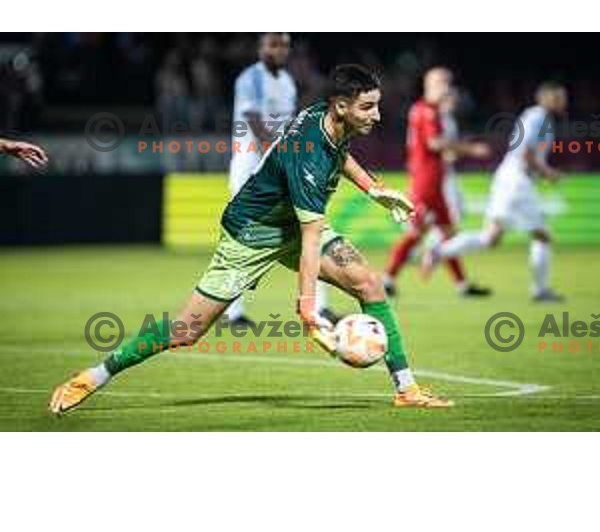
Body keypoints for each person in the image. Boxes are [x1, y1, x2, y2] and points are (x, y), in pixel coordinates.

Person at [49, 64, 453, 414]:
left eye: (377, 104)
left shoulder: (330, 117)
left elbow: (341, 154)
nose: (378, 115)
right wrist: (308, 308)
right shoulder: (308, 153)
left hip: (292, 221)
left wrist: (372, 188)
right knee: (186, 331)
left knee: (369, 283)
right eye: (368, 106)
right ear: (341, 105)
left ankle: (407, 389)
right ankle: (94, 376)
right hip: (252, 232)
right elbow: (312, 237)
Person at [227, 32, 338, 327]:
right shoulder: (250, 78)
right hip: (250, 167)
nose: (279, 50)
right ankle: (233, 311)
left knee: (310, 229)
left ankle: (319, 306)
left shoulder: (287, 82)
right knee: (243, 239)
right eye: (272, 44)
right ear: (261, 48)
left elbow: (287, 127)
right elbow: (255, 124)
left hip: (278, 166)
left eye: (284, 45)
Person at [423, 81, 567, 302]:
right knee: (542, 235)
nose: (563, 101)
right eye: (559, 97)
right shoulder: (538, 117)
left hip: (510, 178)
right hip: (518, 181)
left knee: (490, 238)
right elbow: (525, 150)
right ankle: (540, 290)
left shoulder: (538, 117)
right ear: (546, 98)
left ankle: (438, 251)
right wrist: (548, 173)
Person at [383, 67, 491, 298]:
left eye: (449, 82)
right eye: (442, 82)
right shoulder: (426, 110)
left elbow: (439, 148)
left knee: (448, 234)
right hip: (425, 182)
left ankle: (462, 285)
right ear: (430, 85)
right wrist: (470, 148)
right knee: (416, 233)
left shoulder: (433, 111)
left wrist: (454, 150)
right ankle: (386, 279)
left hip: (436, 182)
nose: (447, 87)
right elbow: (434, 143)